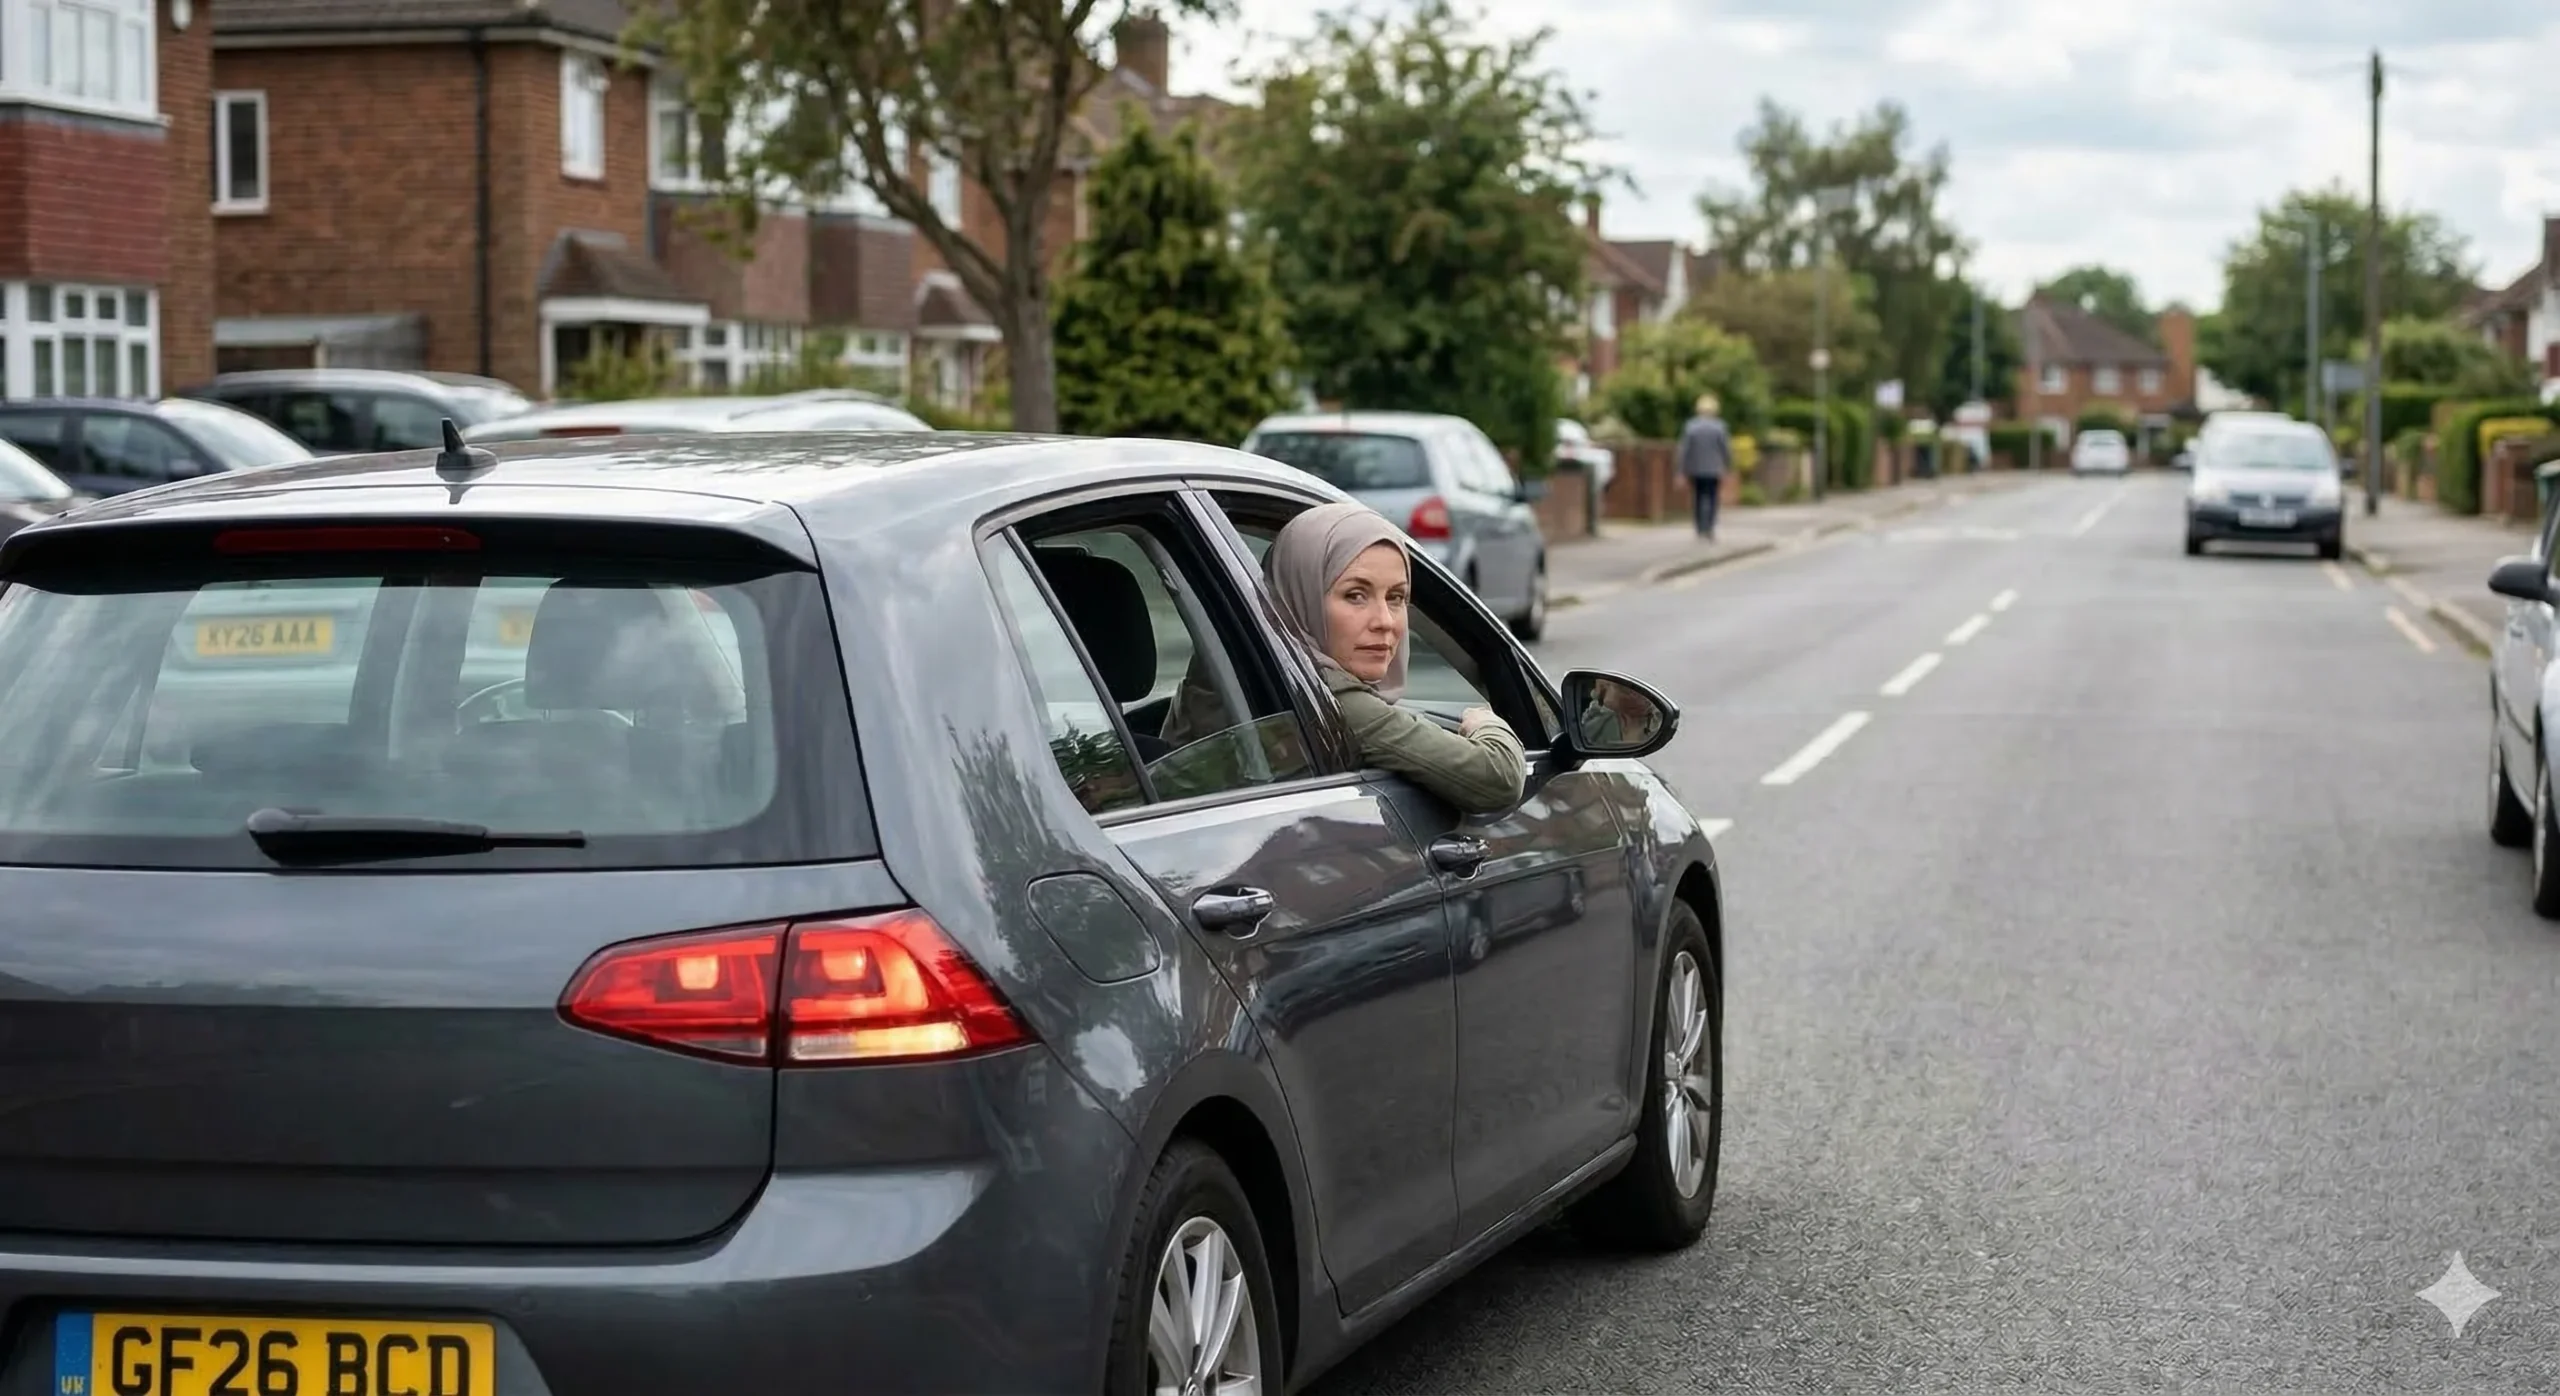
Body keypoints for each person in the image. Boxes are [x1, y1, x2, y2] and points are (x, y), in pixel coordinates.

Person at [1265, 501, 1527, 815]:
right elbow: (1499, 777)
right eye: (1355, 595)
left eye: (1396, 597)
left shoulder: (1245, 676)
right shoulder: (1330, 701)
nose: (1385, 621)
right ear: (1300, 595)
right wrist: (1486, 725)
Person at [1676, 392, 1734, 540]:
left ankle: (1699, 527)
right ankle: (1709, 526)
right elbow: (1725, 449)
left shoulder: (1691, 427)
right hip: (1714, 469)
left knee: (1698, 497)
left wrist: (1681, 471)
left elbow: (1684, 450)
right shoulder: (1719, 427)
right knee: (1712, 498)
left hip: (1695, 469)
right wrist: (1728, 467)